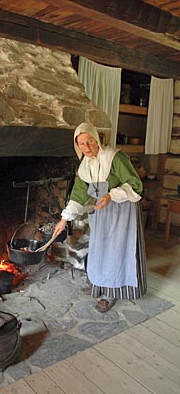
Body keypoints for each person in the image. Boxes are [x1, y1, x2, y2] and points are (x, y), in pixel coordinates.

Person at [53, 122, 146, 313]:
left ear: (97, 140)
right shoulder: (85, 167)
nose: (87, 147)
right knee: (100, 249)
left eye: (90, 142)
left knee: (115, 251)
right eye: (82, 144)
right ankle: (100, 285)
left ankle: (111, 292)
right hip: (103, 213)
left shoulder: (115, 158)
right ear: (77, 146)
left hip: (121, 212)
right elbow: (78, 196)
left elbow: (136, 185)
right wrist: (64, 220)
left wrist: (110, 195)